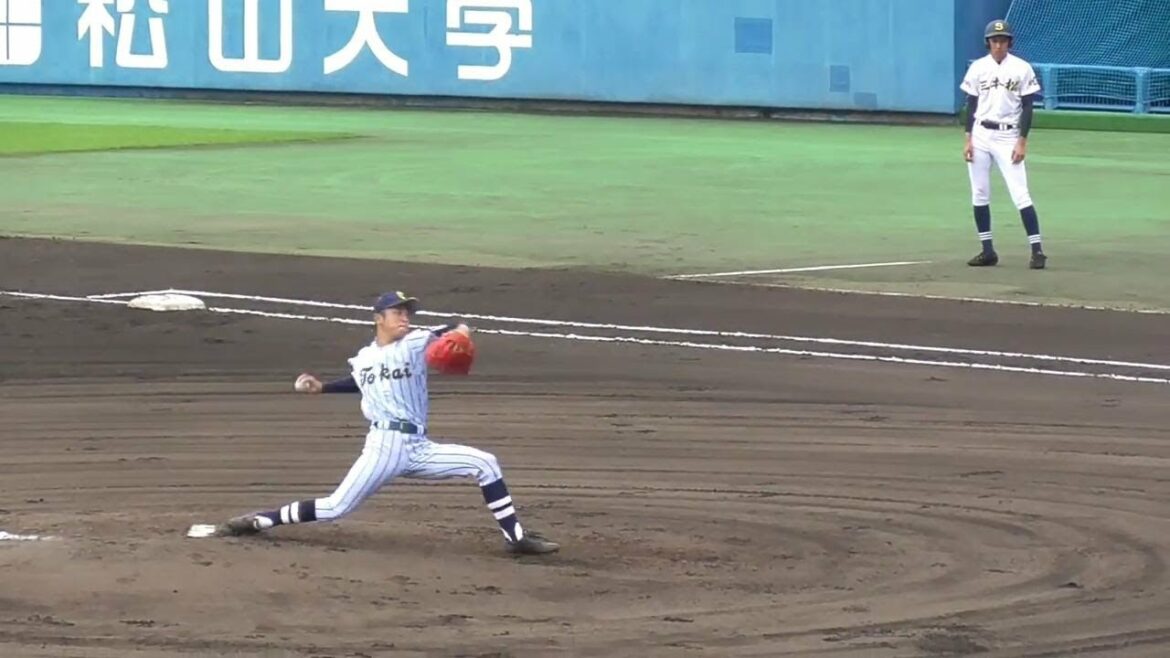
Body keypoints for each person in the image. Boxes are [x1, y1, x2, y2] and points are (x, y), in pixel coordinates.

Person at [213, 291, 560, 556]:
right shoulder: (363, 358)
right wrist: (322, 388)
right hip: (384, 447)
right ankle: (261, 520)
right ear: (379, 318)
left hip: (419, 447)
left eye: (407, 312)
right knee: (335, 507)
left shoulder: (415, 342)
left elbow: (452, 326)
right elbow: (360, 381)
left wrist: (462, 331)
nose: (405, 317)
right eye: (397, 312)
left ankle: (516, 538)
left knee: (485, 463)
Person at [960, 19, 1048, 270]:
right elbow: (971, 104)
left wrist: (1022, 141)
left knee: (1020, 193)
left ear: (1010, 42)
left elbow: (1028, 106)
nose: (998, 45)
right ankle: (987, 251)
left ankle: (1037, 250)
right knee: (979, 192)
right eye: (994, 40)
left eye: (1003, 40)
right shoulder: (978, 68)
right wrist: (968, 138)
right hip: (980, 134)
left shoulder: (1021, 68)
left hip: (1008, 136)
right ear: (987, 43)